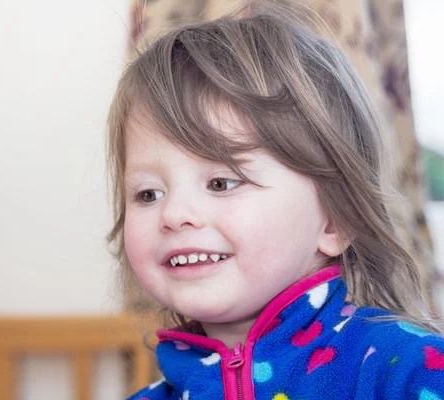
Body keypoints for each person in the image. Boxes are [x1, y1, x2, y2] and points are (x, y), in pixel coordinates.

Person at [106, 2, 444, 399]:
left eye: (221, 183)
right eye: (148, 194)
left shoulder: (409, 369)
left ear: (336, 220)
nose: (174, 214)